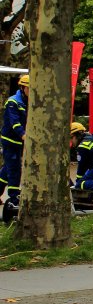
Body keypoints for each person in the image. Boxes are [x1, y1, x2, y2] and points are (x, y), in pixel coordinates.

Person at [0, 74, 29, 206]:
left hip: (18, 142)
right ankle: (14, 199)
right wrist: (23, 135)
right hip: (10, 141)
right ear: (22, 88)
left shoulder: (28, 101)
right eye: (28, 88)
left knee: (7, 169)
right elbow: (15, 123)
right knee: (14, 170)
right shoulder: (13, 102)